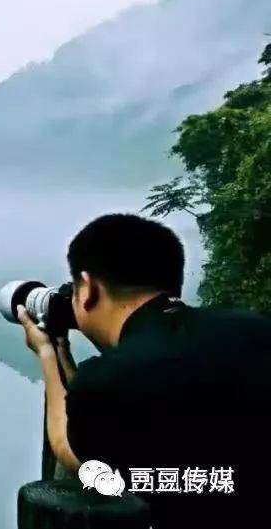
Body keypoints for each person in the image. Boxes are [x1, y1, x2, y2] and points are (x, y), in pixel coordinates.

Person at [16, 213, 271, 528]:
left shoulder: (108, 379)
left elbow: (76, 455)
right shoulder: (254, 329)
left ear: (88, 288)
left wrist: (46, 353)